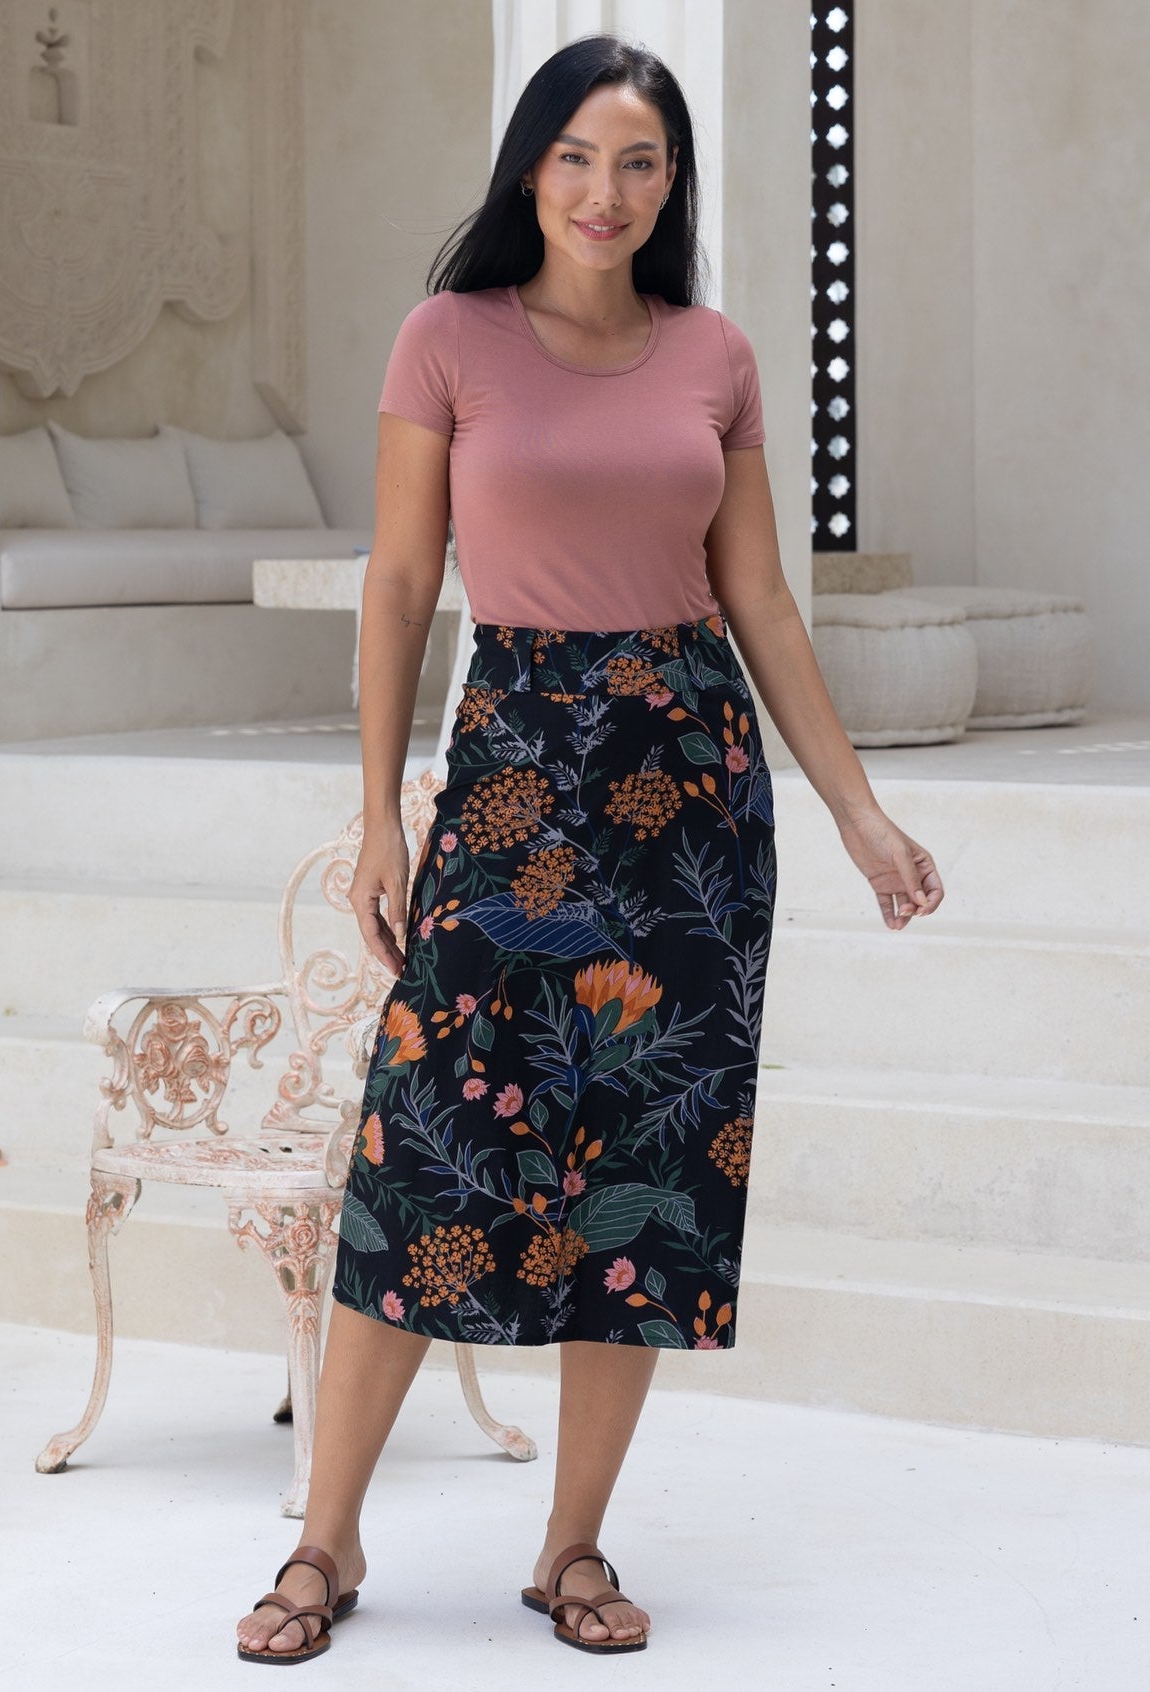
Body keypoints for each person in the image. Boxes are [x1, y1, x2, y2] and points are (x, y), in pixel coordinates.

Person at [237, 33, 943, 1665]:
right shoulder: (451, 339)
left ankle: (574, 1546)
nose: (603, 192)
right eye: (572, 156)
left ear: (671, 180)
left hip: (692, 796)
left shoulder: (716, 354)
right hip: (514, 778)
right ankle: (324, 1545)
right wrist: (377, 814)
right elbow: (403, 587)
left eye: (635, 161)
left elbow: (759, 596)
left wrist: (855, 807)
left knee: (636, 1178)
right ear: (528, 169)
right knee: (425, 1161)